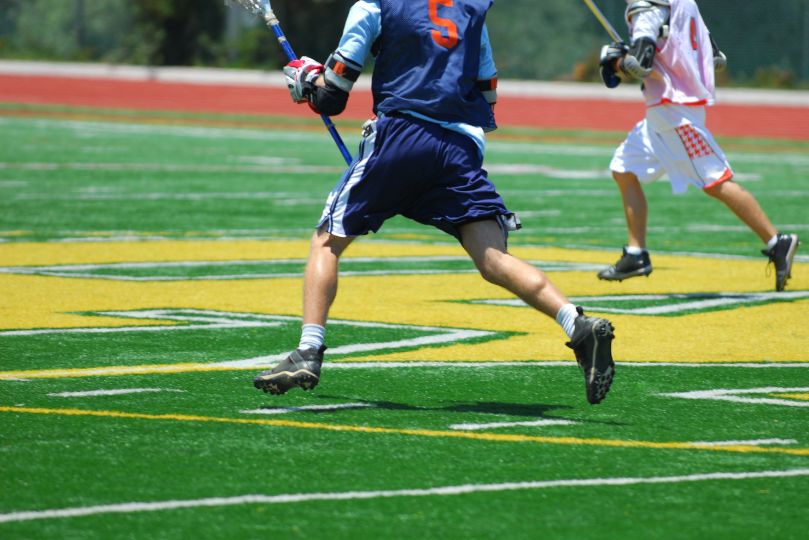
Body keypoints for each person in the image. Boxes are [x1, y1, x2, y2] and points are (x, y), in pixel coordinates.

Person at [253, 0, 616, 405]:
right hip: (462, 145)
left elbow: (333, 96)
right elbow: (488, 91)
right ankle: (577, 324)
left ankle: (307, 350)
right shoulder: (469, 8)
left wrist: (307, 81)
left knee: (327, 240)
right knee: (493, 258)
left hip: (403, 133)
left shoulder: (374, 5)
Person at [596, 0, 800, 291]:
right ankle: (636, 254)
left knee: (716, 181)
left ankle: (776, 241)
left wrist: (616, 60)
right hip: (664, 114)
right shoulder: (683, 3)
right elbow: (716, 57)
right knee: (623, 168)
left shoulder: (647, 9)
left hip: (673, 112)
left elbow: (640, 63)